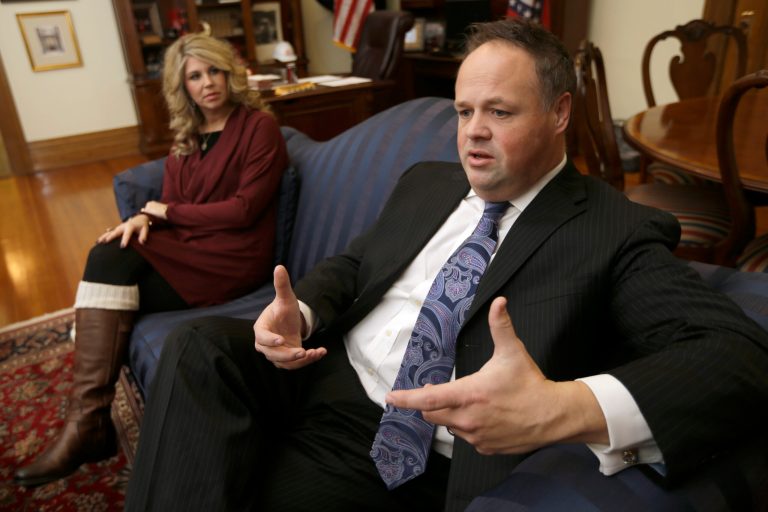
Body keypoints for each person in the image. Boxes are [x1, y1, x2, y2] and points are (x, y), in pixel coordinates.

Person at [125, 19, 768, 511]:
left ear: (560, 113)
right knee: (197, 345)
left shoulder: (612, 228)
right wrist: (306, 310)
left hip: (404, 440)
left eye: (499, 112)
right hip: (320, 369)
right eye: (464, 111)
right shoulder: (427, 182)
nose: (472, 132)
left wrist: (563, 407)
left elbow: (740, 357)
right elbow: (356, 262)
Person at [14, 33, 288, 487]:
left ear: (230, 74)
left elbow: (243, 211)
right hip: (194, 249)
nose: (207, 83)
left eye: (214, 71)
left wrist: (165, 213)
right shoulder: (186, 139)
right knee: (111, 253)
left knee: (110, 280)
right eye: (195, 76)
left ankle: (87, 427)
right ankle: (88, 420)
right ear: (183, 88)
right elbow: (171, 205)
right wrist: (144, 216)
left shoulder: (259, 127)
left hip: (234, 256)